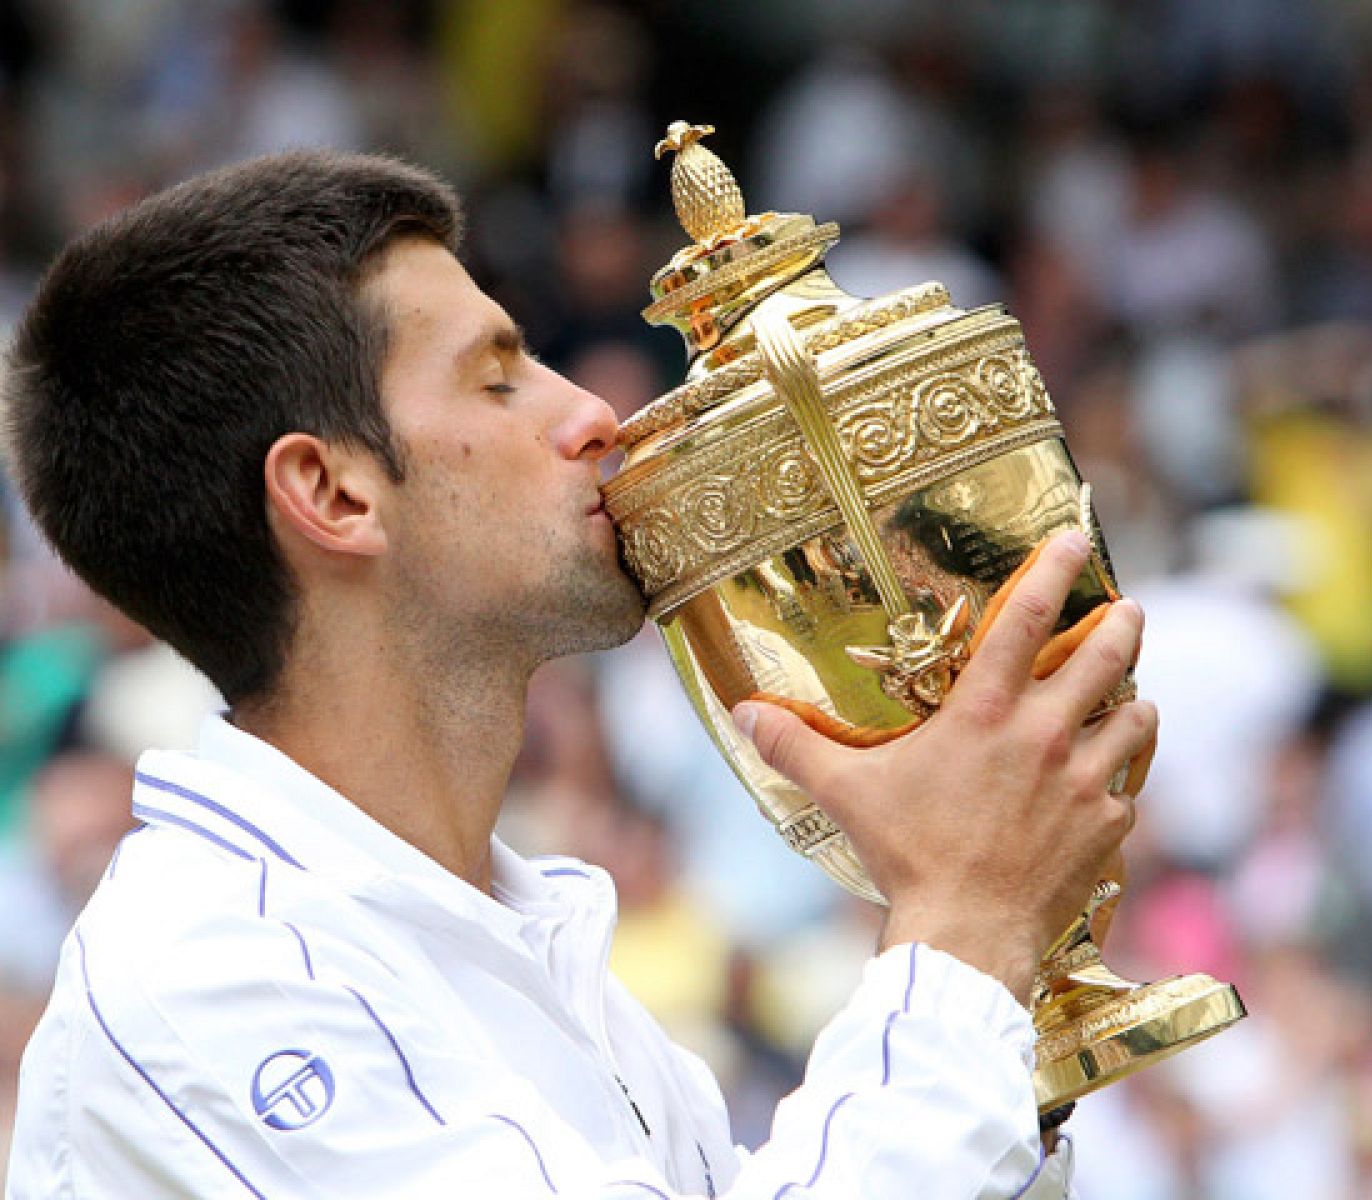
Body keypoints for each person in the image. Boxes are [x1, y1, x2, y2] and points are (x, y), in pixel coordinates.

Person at [1, 151, 1154, 1198]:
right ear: (335, 495)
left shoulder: (530, 942)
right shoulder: (211, 981)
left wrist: (1020, 1017)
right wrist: (962, 924)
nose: (596, 415)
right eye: (500, 379)